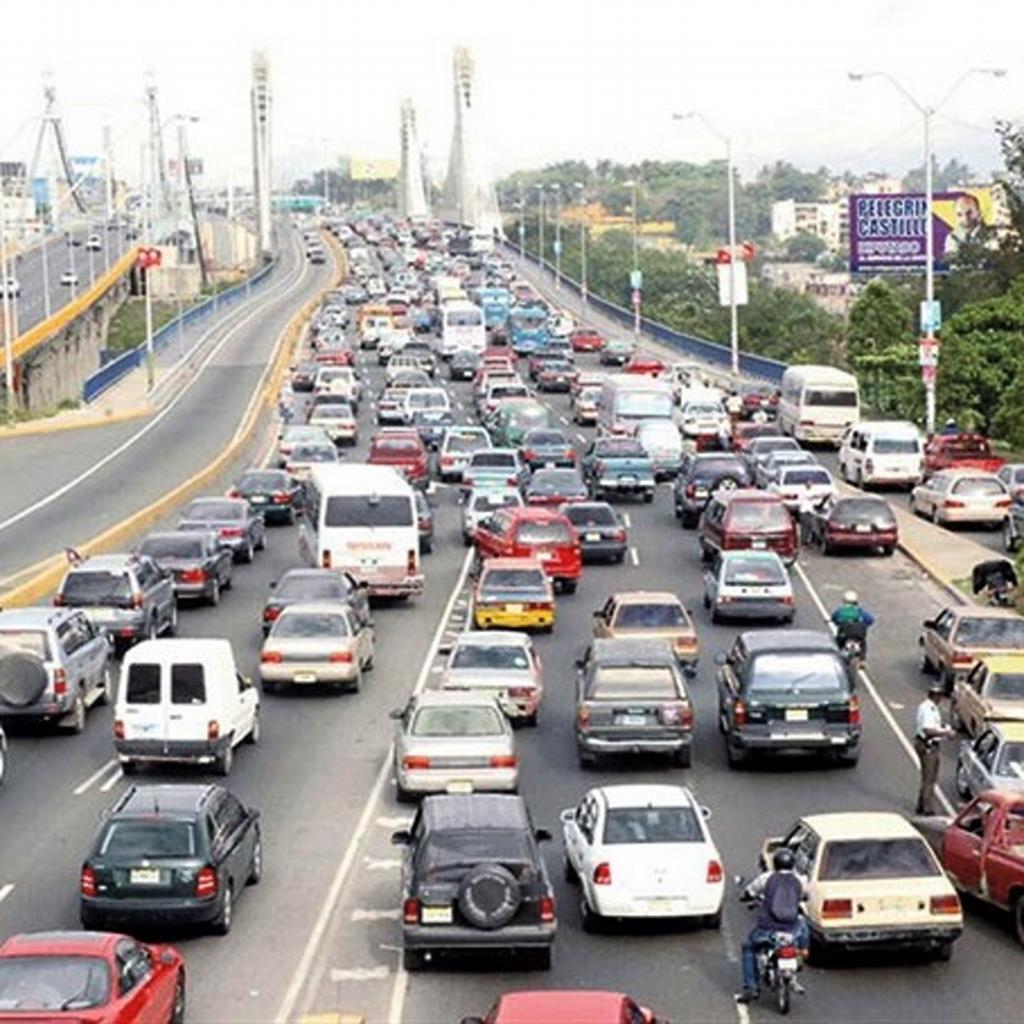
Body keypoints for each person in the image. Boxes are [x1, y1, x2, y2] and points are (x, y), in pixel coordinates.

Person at [737, 848, 810, 1004]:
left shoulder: (766, 878)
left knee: (748, 947)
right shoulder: (800, 880)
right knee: (803, 925)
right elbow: (806, 895)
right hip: (792, 930)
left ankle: (751, 988)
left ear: (775, 863)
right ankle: (802, 955)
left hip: (767, 930)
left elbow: (749, 892)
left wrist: (745, 896)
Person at [914, 683, 956, 814]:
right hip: (928, 745)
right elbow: (928, 730)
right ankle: (928, 808)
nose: (941, 698)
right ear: (935, 696)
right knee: (929, 778)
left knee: (927, 776)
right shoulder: (929, 709)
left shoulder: (926, 706)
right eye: (940, 696)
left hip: (924, 743)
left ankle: (921, 805)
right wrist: (946, 733)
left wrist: (942, 728)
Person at [831, 590, 875, 655]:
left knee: (837, 643)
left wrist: (837, 622)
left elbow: (834, 618)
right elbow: (870, 619)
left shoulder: (840, 611)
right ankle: (862, 660)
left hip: (844, 635)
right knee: (862, 643)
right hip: (858, 635)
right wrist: (864, 625)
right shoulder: (859, 611)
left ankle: (837, 656)